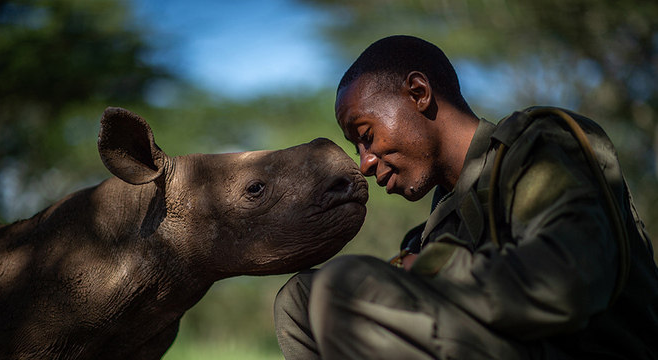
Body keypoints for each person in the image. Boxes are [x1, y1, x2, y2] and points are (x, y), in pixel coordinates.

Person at [274, 35, 658, 359]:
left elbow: (567, 282)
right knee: (300, 298)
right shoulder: (435, 225)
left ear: (418, 93)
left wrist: (432, 270)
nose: (365, 163)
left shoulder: (540, 145)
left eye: (367, 135)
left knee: (344, 285)